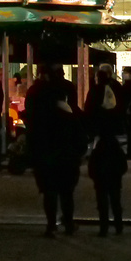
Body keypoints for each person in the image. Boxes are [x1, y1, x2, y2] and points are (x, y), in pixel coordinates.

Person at [23, 59, 84, 238]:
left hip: (44, 149)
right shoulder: (65, 94)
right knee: (66, 191)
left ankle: (51, 225)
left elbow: (31, 120)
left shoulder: (35, 92)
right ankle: (68, 222)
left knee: (49, 190)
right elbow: (77, 121)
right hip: (65, 151)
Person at [83, 62, 128, 237]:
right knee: (115, 191)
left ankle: (104, 226)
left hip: (101, 140)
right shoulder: (115, 90)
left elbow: (89, 112)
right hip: (112, 141)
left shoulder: (95, 92)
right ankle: (118, 224)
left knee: (101, 192)